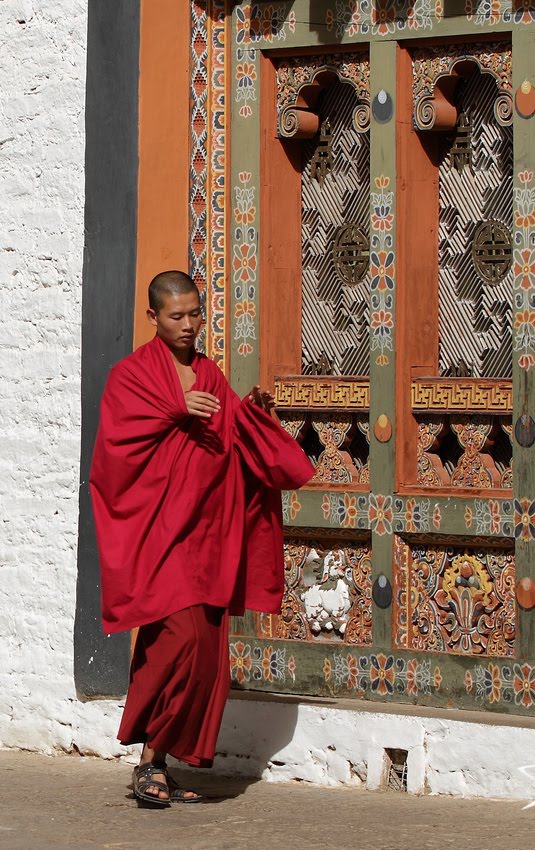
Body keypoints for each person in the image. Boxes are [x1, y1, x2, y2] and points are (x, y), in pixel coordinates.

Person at [90, 270, 314, 807]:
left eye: (195, 314)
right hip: (159, 534)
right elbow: (114, 452)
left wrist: (253, 415)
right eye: (176, 316)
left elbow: (229, 434)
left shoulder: (210, 375)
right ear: (153, 318)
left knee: (206, 653)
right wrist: (173, 410)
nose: (189, 325)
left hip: (205, 534)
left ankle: (161, 762)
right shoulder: (131, 377)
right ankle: (149, 759)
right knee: (178, 641)